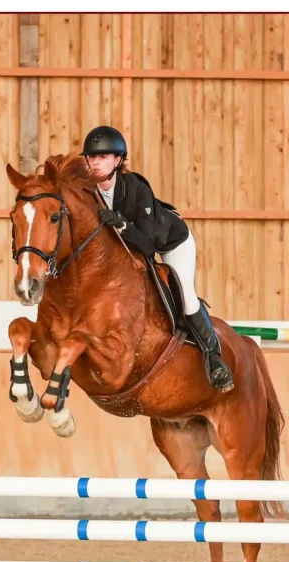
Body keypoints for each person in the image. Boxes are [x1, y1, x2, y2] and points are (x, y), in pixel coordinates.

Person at [80, 125, 234, 392]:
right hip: (128, 249)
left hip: (170, 242)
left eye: (103, 157)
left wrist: (121, 224)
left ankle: (214, 359)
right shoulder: (88, 193)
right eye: (92, 157)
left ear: (118, 161)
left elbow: (149, 246)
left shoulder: (136, 188)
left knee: (185, 296)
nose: (95, 162)